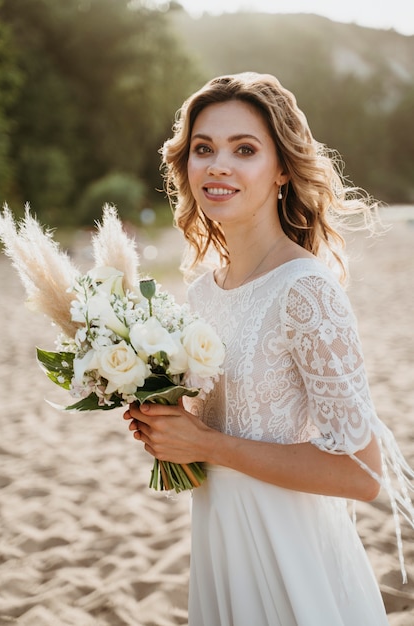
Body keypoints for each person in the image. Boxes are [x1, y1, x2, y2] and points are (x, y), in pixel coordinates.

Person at [124, 72, 414, 625]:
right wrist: (168, 430)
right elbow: (219, 427)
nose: (218, 165)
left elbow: (361, 472)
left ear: (282, 168)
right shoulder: (203, 290)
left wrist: (207, 442)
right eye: (204, 148)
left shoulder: (305, 290)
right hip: (221, 540)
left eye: (245, 149)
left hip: (289, 552)